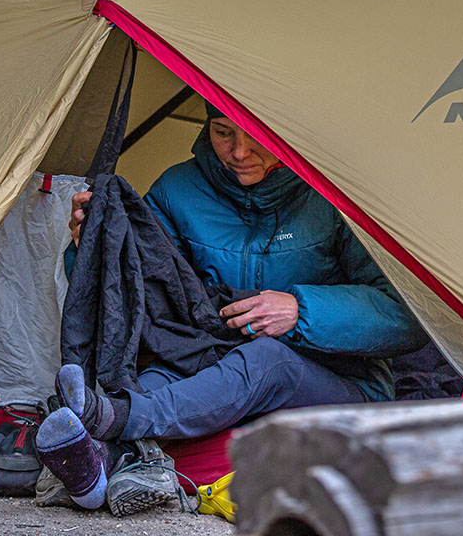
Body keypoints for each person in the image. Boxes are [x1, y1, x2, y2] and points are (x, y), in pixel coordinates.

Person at [35, 101, 427, 510]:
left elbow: (407, 318)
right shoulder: (178, 190)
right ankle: (98, 461)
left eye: (255, 135)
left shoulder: (336, 195)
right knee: (165, 371)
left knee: (267, 361)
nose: (239, 152)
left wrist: (301, 310)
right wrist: (92, 244)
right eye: (223, 133)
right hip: (216, 360)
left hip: (342, 380)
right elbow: (145, 287)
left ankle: (106, 421)